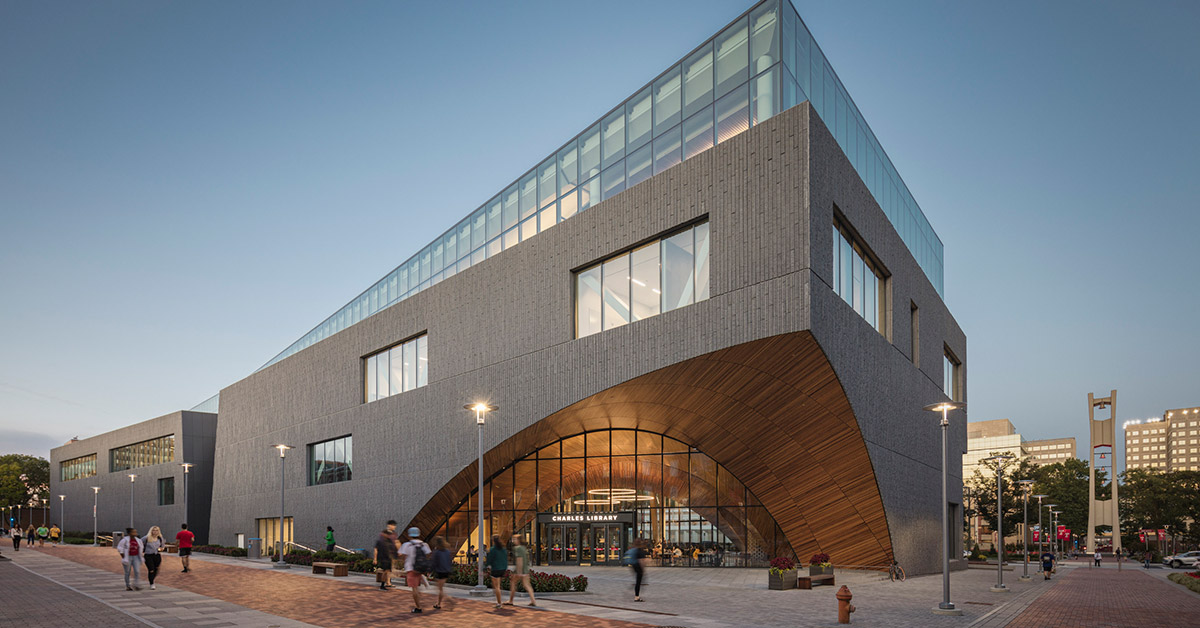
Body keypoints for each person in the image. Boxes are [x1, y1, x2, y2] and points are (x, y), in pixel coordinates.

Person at [399, 527, 432, 614]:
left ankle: (418, 607)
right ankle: (423, 582)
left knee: (414, 589)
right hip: (421, 569)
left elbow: (402, 556)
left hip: (411, 568)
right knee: (417, 587)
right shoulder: (424, 544)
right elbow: (428, 555)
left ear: (409, 535)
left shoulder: (406, 545)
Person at [507, 534, 536, 607]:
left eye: (514, 539)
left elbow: (519, 559)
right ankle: (533, 600)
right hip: (526, 570)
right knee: (527, 585)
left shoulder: (517, 548)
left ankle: (511, 600)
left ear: (518, 540)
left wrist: (519, 572)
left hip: (520, 570)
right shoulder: (524, 548)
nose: (513, 540)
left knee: (513, 583)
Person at [486, 534, 508, 609]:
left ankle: (499, 603)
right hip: (502, 569)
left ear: (493, 541)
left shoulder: (492, 549)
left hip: (496, 569)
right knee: (498, 585)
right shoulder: (503, 549)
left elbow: (489, 560)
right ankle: (499, 600)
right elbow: (505, 559)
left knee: (496, 587)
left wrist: (485, 567)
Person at [431, 536, 453, 610]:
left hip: (440, 571)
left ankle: (449, 600)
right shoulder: (447, 551)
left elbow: (434, 563)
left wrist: (431, 571)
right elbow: (450, 561)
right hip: (446, 571)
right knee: (440, 588)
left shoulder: (437, 552)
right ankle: (439, 603)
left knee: (440, 589)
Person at [374, 523, 397, 590]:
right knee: (386, 571)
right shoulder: (380, 541)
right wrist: (375, 559)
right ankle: (382, 585)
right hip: (384, 558)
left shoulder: (389, 541)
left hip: (389, 558)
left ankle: (386, 583)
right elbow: (376, 549)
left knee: (387, 571)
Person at [630, 538, 649, 602]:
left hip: (634, 566)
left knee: (638, 581)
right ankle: (636, 597)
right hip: (638, 567)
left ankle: (636, 595)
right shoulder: (640, 550)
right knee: (638, 582)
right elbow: (642, 560)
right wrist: (643, 568)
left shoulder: (634, 549)